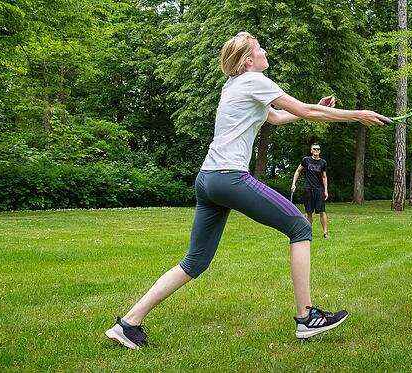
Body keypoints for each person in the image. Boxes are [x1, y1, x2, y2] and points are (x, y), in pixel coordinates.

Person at [104, 31, 390, 349]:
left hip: (207, 180)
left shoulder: (235, 86)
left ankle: (128, 324)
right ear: (248, 60)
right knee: (299, 227)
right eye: (258, 48)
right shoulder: (255, 81)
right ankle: (307, 316)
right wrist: (357, 116)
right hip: (229, 177)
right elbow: (307, 112)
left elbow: (280, 116)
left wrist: (314, 108)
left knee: (194, 262)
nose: (264, 51)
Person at [291, 143, 330, 238]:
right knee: (309, 212)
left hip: (319, 189)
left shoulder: (323, 163)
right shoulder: (306, 160)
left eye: (318, 149)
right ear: (311, 150)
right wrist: (293, 184)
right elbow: (298, 171)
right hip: (308, 189)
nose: (316, 150)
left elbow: (324, 176)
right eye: (314, 149)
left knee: (322, 211)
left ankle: (325, 232)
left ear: (320, 151)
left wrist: (326, 190)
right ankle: (308, 232)